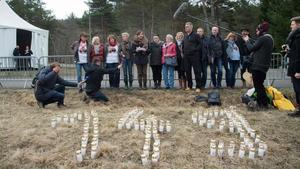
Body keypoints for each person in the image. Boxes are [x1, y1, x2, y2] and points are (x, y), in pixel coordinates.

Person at [243, 21, 274, 110]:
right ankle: (263, 103)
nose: (256, 32)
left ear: (261, 30)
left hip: (258, 66)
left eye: (257, 30)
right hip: (264, 66)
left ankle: (263, 104)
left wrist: (247, 40)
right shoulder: (269, 38)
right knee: (260, 85)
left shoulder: (263, 39)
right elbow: (259, 47)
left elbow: (251, 48)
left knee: (258, 86)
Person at [285, 16, 300, 117]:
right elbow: (294, 53)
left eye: (293, 24)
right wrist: (288, 51)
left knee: (299, 89)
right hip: (294, 66)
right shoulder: (295, 36)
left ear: (299, 24)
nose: (291, 26)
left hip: (297, 68)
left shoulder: (299, 37)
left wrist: (299, 71)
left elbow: (299, 54)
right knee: (297, 89)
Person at [183, 22, 202, 92]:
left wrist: (195, 50)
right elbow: (184, 45)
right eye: (185, 26)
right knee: (187, 71)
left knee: (197, 71)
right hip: (186, 57)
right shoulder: (185, 36)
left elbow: (200, 44)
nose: (186, 27)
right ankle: (189, 86)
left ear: (191, 27)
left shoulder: (196, 35)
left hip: (194, 56)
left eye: (187, 26)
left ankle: (198, 87)